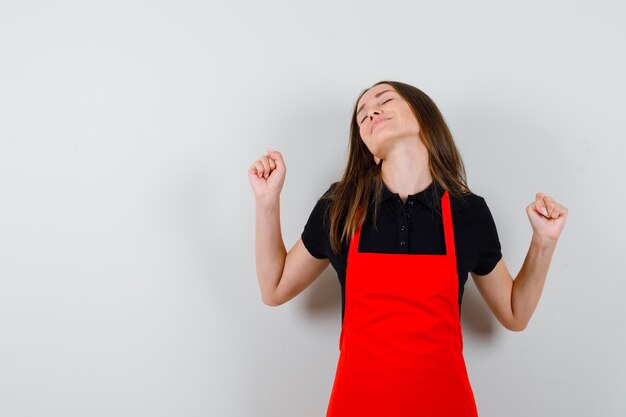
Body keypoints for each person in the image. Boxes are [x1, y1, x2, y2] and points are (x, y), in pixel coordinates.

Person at [248, 80, 568, 416]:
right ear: (369, 149)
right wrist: (267, 201)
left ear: (423, 118)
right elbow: (274, 288)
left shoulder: (467, 212)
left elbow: (515, 314)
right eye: (362, 117)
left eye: (385, 100)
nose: (371, 111)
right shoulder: (339, 205)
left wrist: (543, 242)